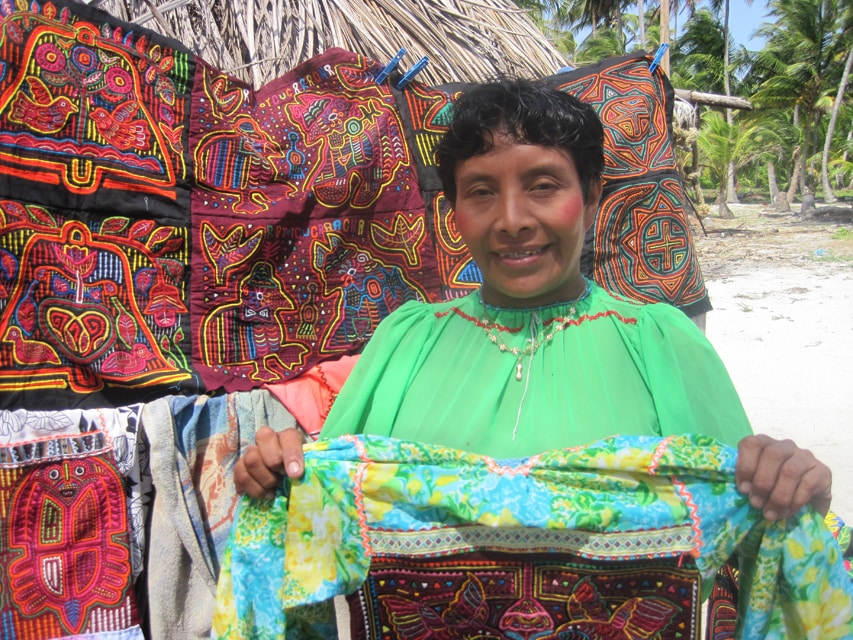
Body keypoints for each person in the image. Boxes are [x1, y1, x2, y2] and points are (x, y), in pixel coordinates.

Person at [235, 78, 831, 525]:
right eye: (481, 192)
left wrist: (792, 485)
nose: (513, 220)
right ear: (454, 213)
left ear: (591, 196)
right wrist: (279, 472)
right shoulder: (405, 340)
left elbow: (743, 524)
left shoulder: (661, 343)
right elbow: (328, 505)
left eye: (543, 186)